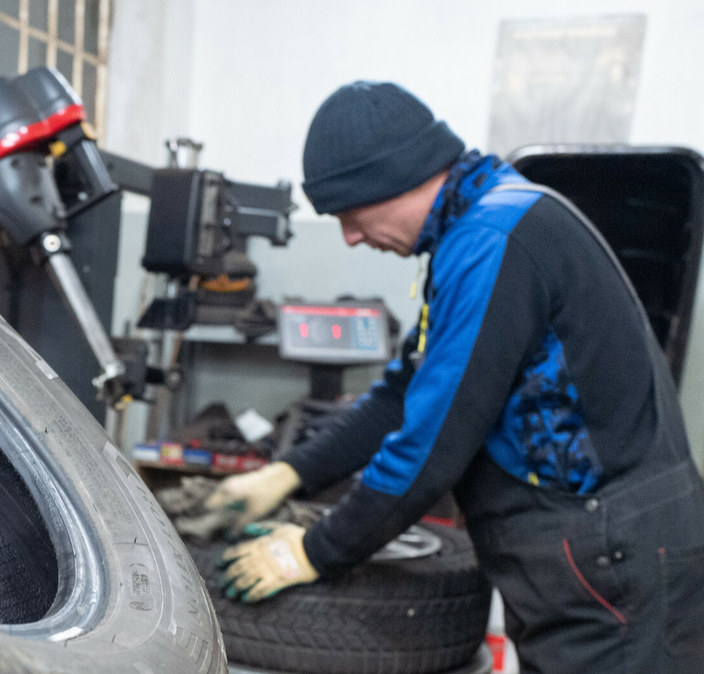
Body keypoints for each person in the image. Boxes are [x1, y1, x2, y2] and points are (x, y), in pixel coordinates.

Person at [208, 80, 704, 673]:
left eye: (350, 213)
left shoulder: (491, 242)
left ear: (393, 179)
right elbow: (403, 393)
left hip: (611, 561)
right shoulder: (478, 226)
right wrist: (292, 471)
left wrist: (316, 552)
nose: (350, 237)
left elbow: (431, 446)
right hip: (594, 552)